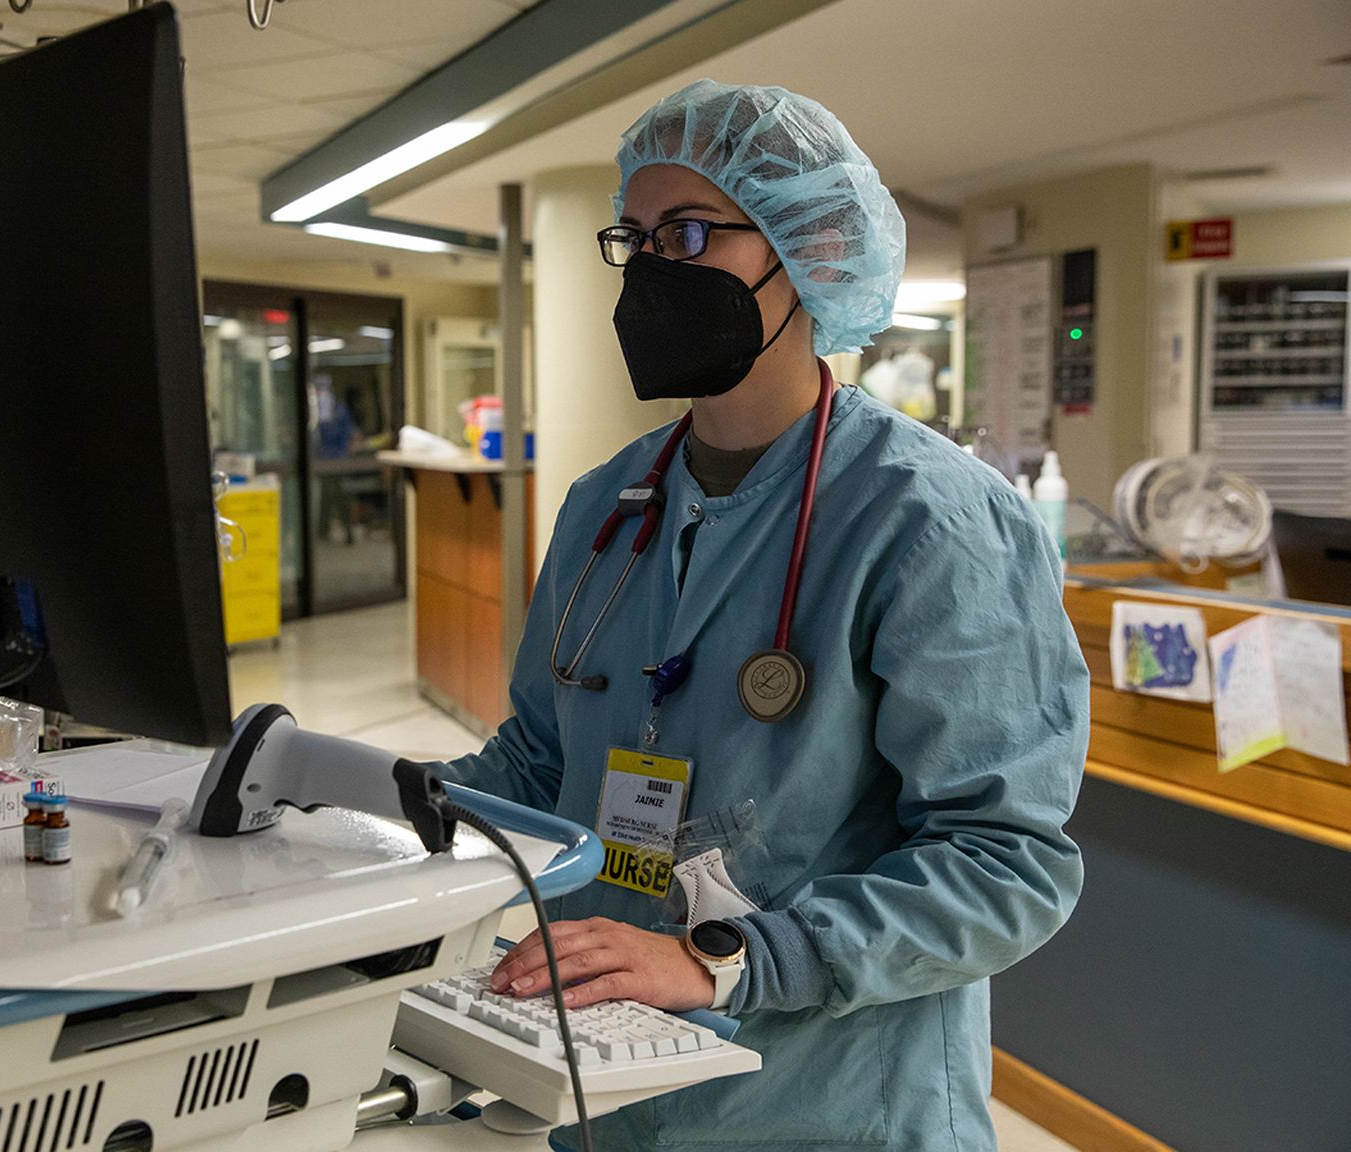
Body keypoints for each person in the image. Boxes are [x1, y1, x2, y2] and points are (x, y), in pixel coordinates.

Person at [435, 79, 1088, 1152]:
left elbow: (1004, 862)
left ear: (813, 248)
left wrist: (727, 961)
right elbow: (538, 759)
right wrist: (381, 827)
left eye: (689, 233)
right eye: (635, 239)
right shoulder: (610, 507)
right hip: (603, 1081)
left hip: (825, 1103)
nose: (654, 271)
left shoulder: (928, 519)